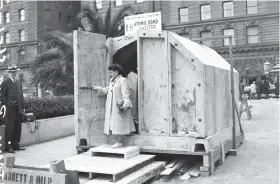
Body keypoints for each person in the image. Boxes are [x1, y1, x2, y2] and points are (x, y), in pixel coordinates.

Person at [92, 64, 135, 148]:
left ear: (116, 71)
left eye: (111, 72)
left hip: (120, 106)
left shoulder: (123, 80)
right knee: (115, 124)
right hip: (112, 106)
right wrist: (99, 88)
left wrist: (125, 106)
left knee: (122, 124)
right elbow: (107, 90)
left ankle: (119, 142)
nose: (110, 74)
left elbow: (126, 94)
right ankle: (118, 142)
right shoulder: (112, 80)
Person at [0, 64, 25, 153]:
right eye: (12, 72)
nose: (14, 73)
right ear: (9, 73)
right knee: (9, 129)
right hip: (10, 110)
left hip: (18, 109)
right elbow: (2, 97)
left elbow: (21, 95)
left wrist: (22, 107)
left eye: (15, 72)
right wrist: (8, 105)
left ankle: (15, 145)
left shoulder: (18, 82)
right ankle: (8, 147)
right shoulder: (5, 82)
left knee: (18, 127)